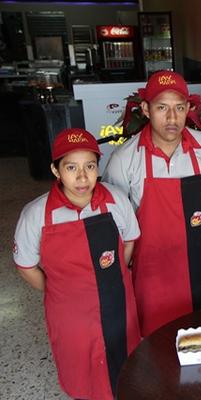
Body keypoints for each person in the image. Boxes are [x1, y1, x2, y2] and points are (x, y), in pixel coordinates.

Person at [13, 128, 141, 400]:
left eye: (90, 166)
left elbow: (129, 242)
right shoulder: (36, 215)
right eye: (71, 167)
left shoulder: (117, 200)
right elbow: (26, 266)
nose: (82, 177)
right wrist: (58, 290)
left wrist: (114, 277)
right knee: (81, 371)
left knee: (124, 365)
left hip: (117, 303)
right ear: (56, 170)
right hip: (69, 314)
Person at [103, 71, 201, 336]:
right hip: (152, 268)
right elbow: (115, 222)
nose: (172, 118)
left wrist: (194, 222)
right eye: (162, 108)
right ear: (146, 109)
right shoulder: (125, 158)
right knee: (157, 343)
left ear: (188, 109)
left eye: (178, 108)